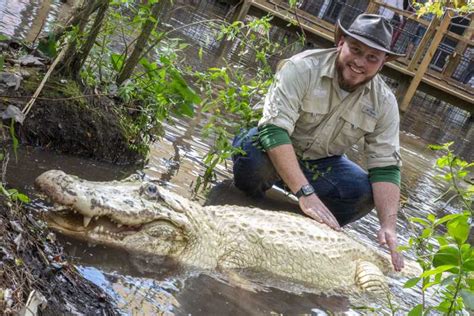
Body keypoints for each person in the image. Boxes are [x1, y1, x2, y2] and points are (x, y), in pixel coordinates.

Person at [232, 14, 405, 271]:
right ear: (341, 42)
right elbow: (273, 130)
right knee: (252, 161)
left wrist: (388, 226)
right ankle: (252, 206)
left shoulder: (385, 102)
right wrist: (306, 193)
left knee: (362, 193)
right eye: (355, 50)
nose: (360, 63)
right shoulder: (301, 67)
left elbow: (386, 167)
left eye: (372, 58)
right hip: (269, 147)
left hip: (322, 162)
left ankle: (298, 228)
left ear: (383, 62)